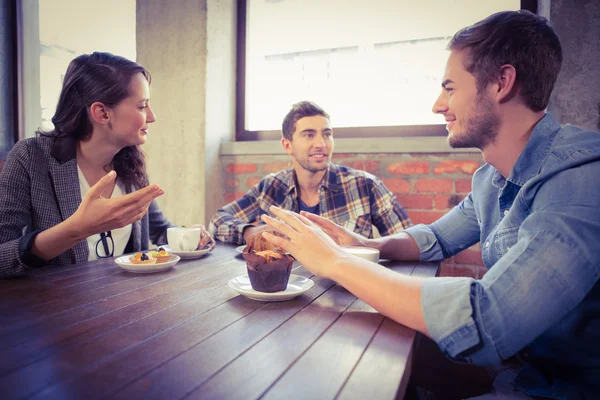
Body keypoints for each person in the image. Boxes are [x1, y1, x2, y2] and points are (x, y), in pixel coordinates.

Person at [259, 10, 600, 399]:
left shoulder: (583, 180)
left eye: (450, 88)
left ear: (502, 83)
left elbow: (489, 319)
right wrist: (369, 245)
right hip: (521, 370)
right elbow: (437, 237)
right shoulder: (491, 179)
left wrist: (334, 262)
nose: (438, 105)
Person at [0, 52, 213, 279]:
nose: (152, 117)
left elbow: (159, 230)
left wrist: (188, 234)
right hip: (53, 308)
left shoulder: (130, 162)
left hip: (122, 303)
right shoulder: (31, 157)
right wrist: (76, 229)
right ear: (102, 113)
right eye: (142, 106)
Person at [209, 101, 411, 245]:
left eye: (327, 134)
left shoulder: (365, 185)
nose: (321, 144)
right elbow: (218, 221)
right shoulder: (270, 187)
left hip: (346, 294)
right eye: (309, 135)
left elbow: (408, 241)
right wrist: (251, 232)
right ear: (287, 145)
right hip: (284, 292)